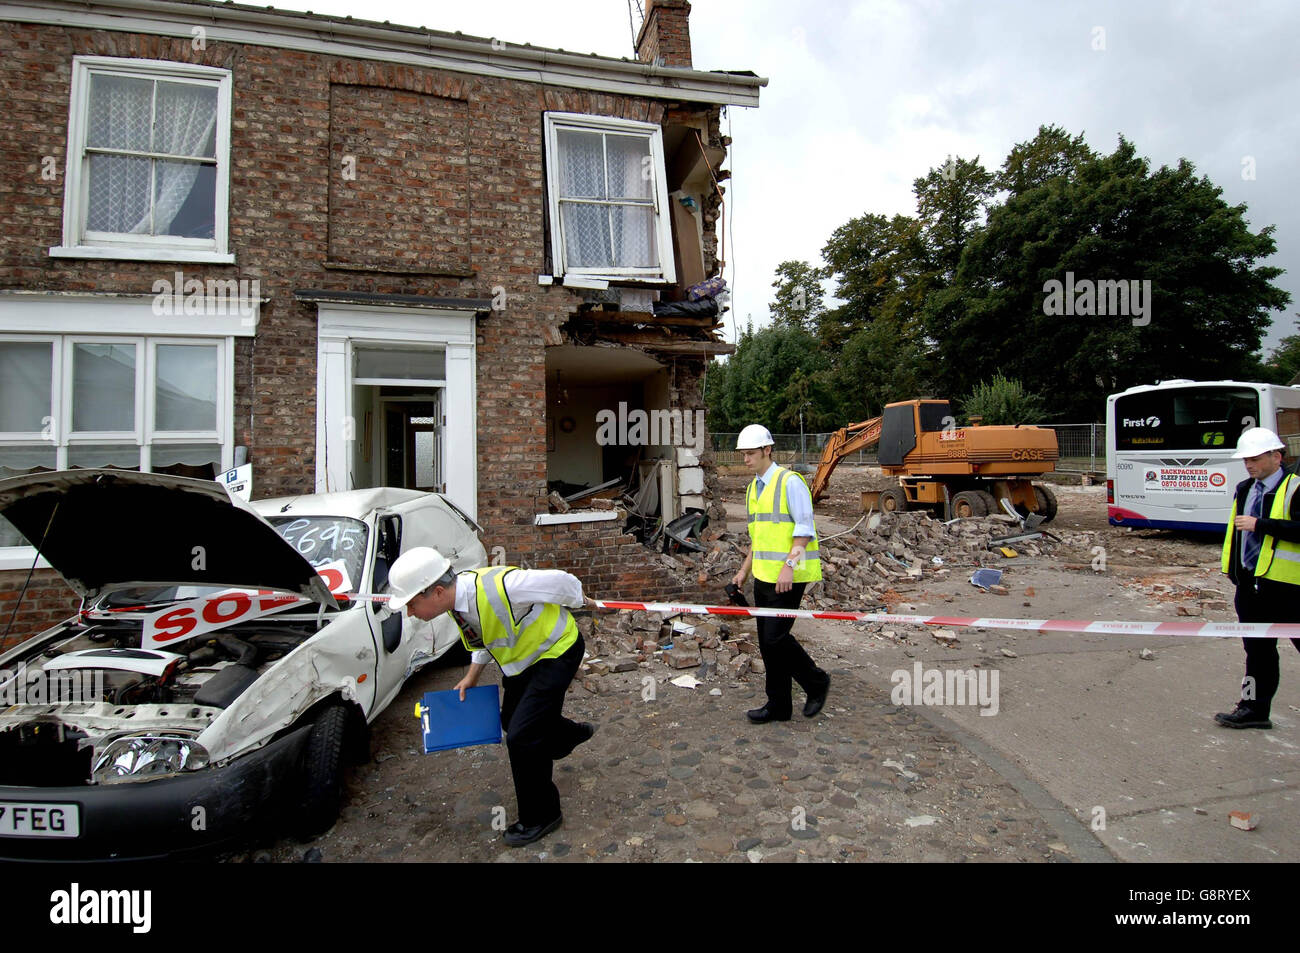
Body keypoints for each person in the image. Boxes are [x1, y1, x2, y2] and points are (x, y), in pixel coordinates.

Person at [388, 548, 596, 845]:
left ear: (434, 592)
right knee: (511, 720)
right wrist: (471, 677)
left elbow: (563, 582)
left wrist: (578, 600)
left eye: (410, 604)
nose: (409, 612)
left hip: (557, 651)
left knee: (523, 737)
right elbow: (483, 637)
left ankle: (542, 815)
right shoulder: (457, 605)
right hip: (523, 663)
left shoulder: (502, 586)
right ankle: (567, 735)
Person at [730, 424, 831, 723]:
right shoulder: (752, 489)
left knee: (775, 639)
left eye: (750, 454)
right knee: (767, 643)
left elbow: (804, 532)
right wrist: (743, 572)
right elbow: (757, 540)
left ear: (767, 450)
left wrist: (789, 567)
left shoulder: (790, 482)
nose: (746, 460)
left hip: (788, 578)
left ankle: (816, 682)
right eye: (743, 454)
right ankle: (779, 705)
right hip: (763, 576)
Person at [1215, 427, 1300, 729]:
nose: (1248, 465)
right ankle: (1253, 708)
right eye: (1245, 460)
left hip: (1290, 589)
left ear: (1276, 457)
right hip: (1251, 586)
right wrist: (1232, 568)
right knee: (1257, 653)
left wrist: (1261, 524)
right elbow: (1234, 534)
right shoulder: (1244, 488)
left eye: (1254, 458)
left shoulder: (1296, 488)